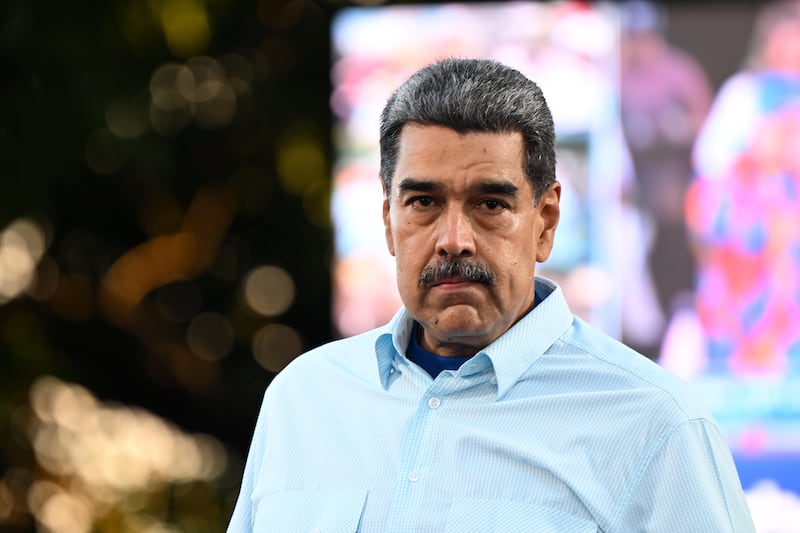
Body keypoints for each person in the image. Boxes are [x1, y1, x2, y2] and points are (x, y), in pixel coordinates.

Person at [227, 58, 754, 532]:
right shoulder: (302, 400)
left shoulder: (656, 427)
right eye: (424, 201)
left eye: (490, 204)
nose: (453, 239)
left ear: (545, 222)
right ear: (388, 221)